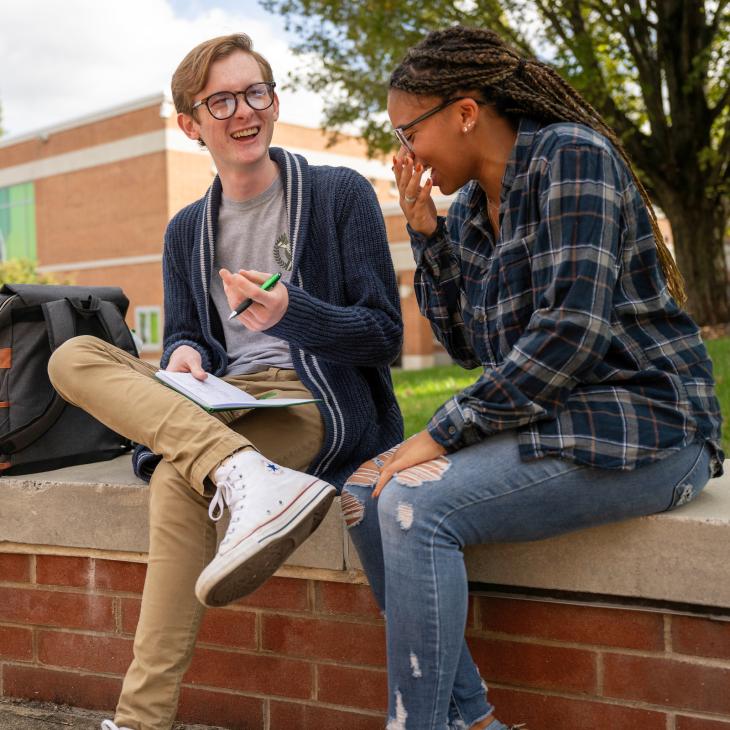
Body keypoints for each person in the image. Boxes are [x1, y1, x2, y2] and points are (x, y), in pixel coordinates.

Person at [340, 25, 724, 730]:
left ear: (463, 112)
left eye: (408, 130)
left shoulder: (571, 158)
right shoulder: (473, 217)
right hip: (555, 422)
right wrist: (428, 239)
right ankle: (474, 723)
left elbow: (570, 333)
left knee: (411, 508)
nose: (404, 154)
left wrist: (443, 433)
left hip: (648, 428)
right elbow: (465, 344)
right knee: (365, 493)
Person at [47, 32, 403, 730]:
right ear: (191, 123)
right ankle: (243, 471)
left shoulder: (337, 195)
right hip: (223, 405)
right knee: (71, 357)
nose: (244, 112)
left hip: (311, 401)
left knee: (183, 478)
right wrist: (182, 352)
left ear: (273, 101)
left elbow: (384, 335)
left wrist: (293, 312)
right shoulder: (187, 230)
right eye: (222, 101)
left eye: (255, 92)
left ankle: (140, 720)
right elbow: (186, 330)